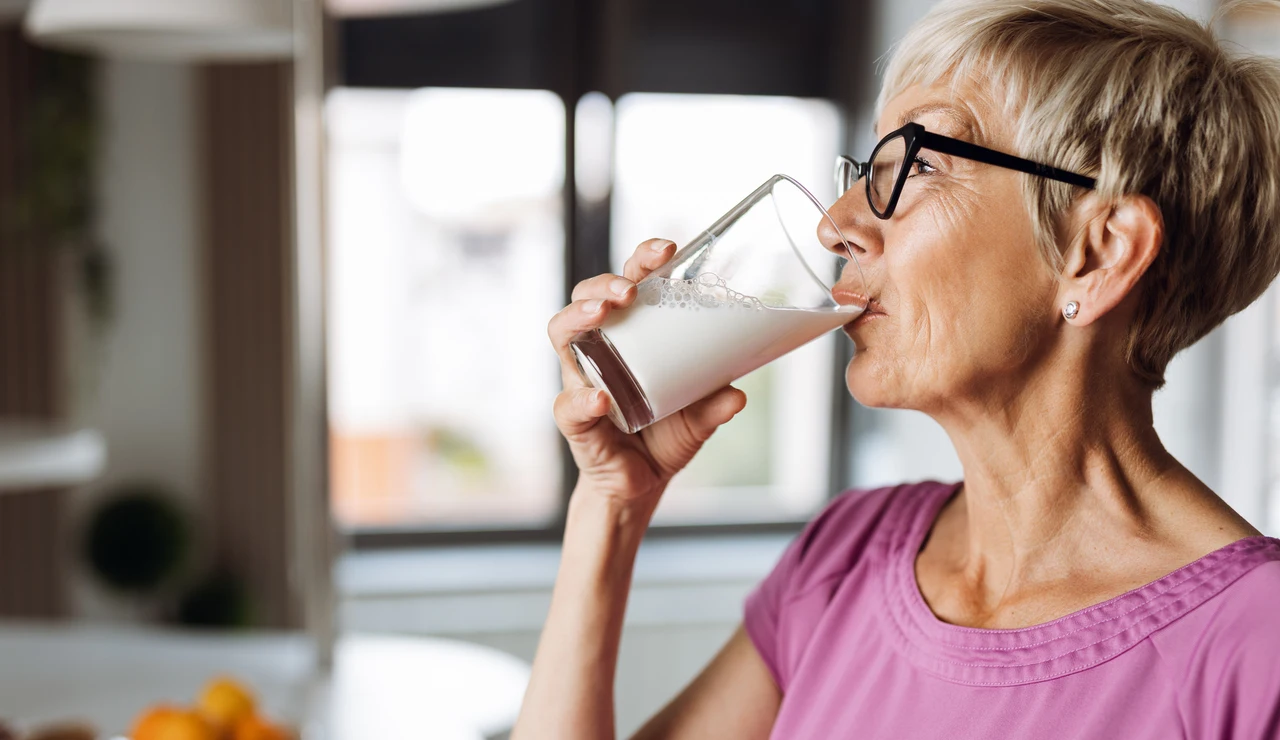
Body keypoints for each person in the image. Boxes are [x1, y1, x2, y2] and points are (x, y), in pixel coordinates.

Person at [515, 0, 1280, 737]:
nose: (836, 223)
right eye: (865, 165)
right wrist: (609, 509)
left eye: (917, 164)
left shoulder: (1257, 652)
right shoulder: (850, 555)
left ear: (1099, 253)